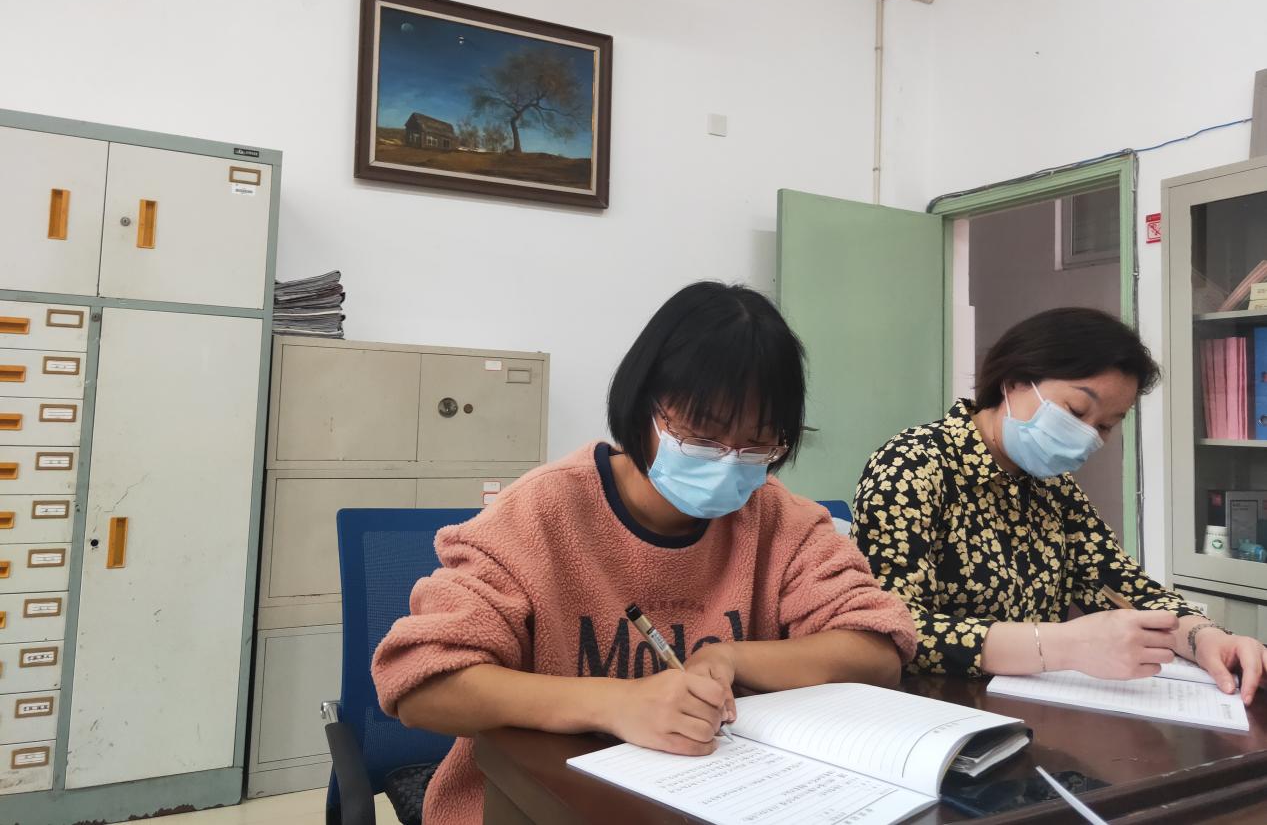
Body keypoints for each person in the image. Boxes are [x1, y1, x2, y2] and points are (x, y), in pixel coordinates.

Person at [372, 281, 918, 825]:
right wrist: (616, 703)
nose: (729, 461)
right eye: (703, 435)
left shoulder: (777, 520)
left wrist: (732, 658)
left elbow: (876, 649)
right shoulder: (544, 512)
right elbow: (422, 682)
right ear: (644, 407)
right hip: (531, 806)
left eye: (757, 445)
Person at [853, 306, 1266, 702]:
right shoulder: (912, 463)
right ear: (1016, 381)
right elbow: (890, 629)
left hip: (1036, 704)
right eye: (1076, 410)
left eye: (1105, 426)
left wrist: (1204, 637)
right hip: (935, 710)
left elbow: (1121, 585)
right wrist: (1064, 644)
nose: (1088, 436)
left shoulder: (1054, 488)